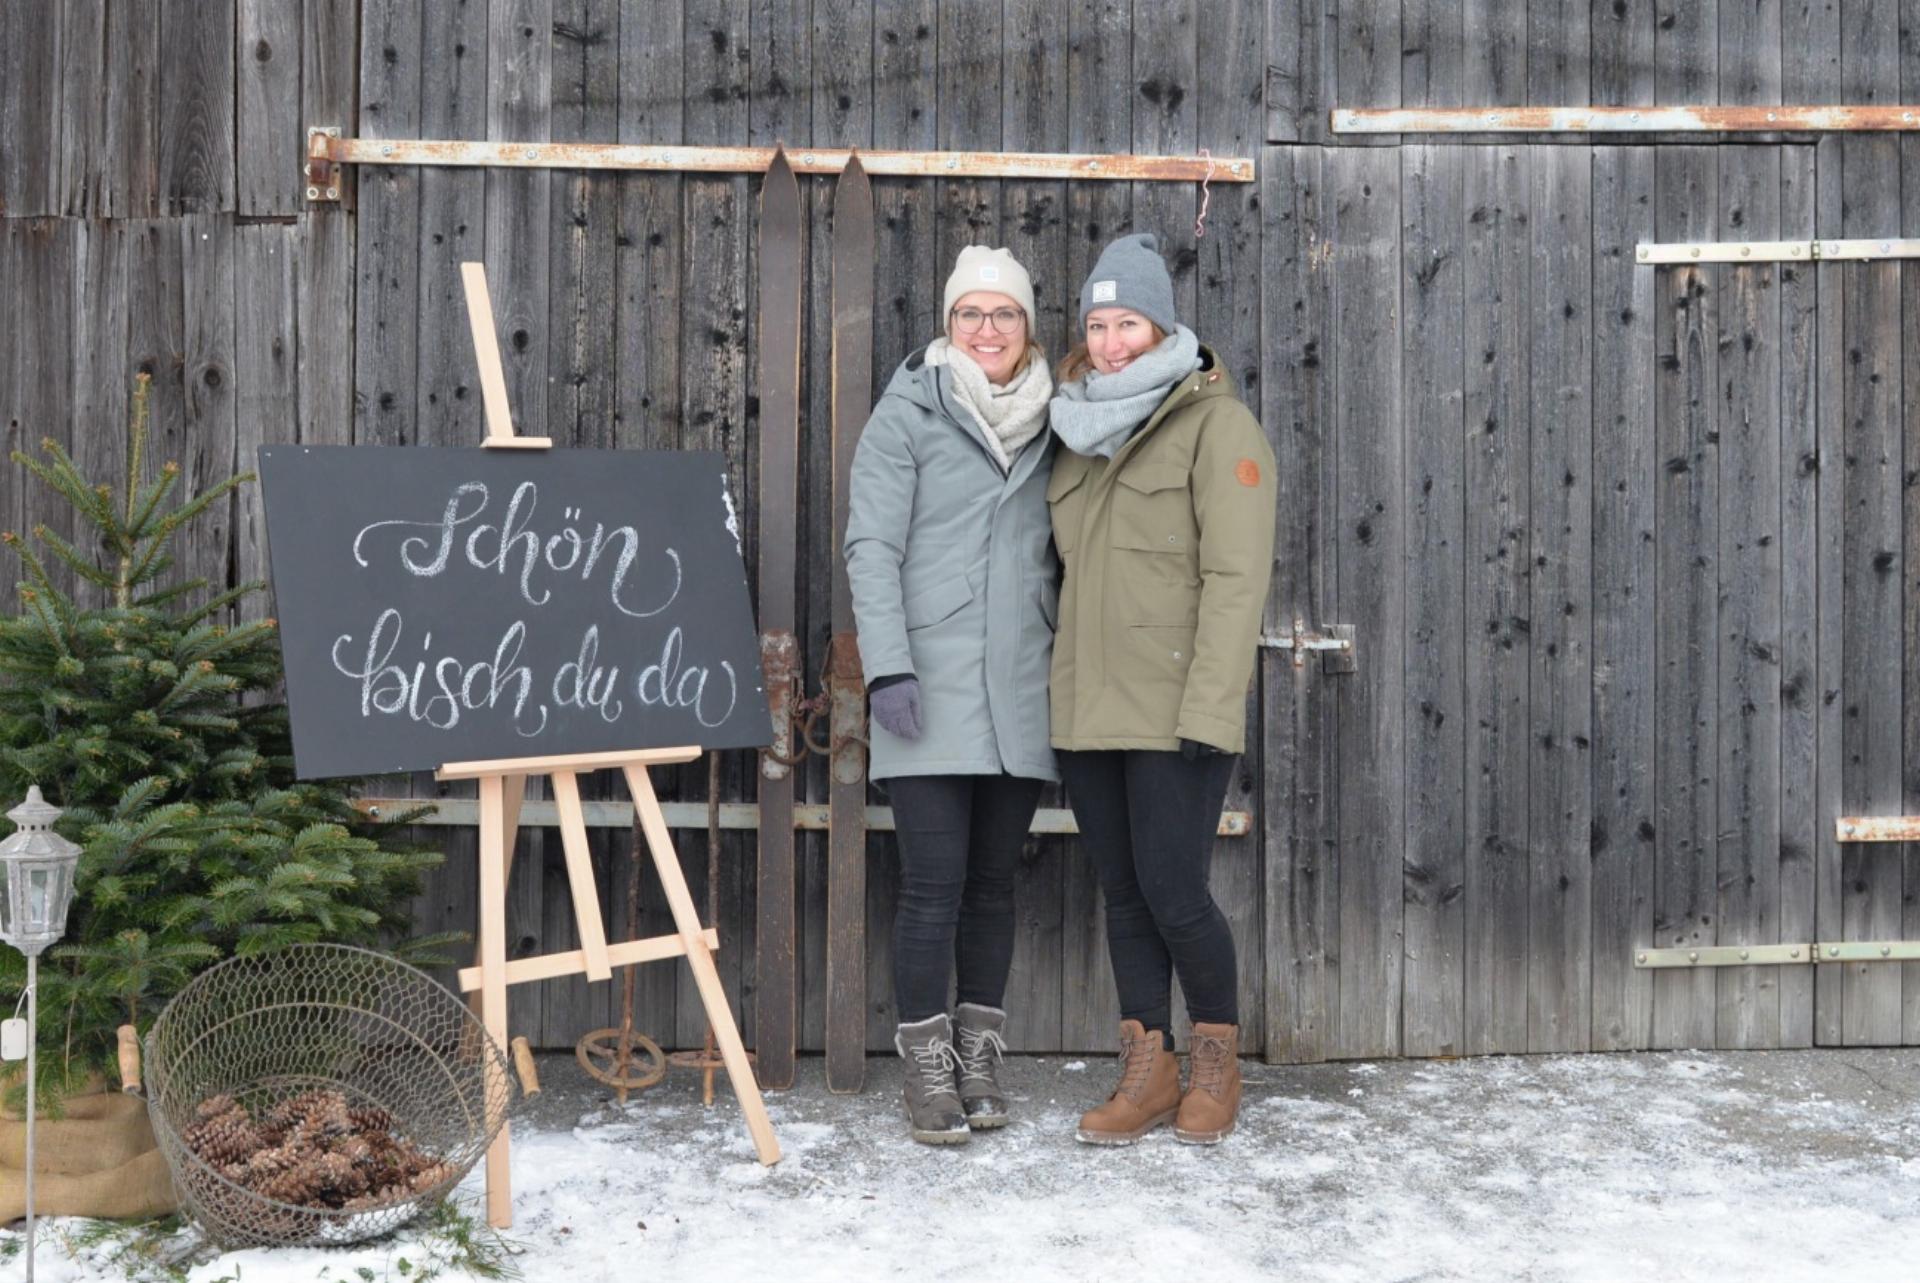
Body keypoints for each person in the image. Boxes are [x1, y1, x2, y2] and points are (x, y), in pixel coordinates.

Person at [1045, 232, 1276, 1146]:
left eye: (1126, 323)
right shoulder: (1073, 430)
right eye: (1097, 325)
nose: (1109, 342)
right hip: (1088, 703)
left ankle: (1215, 1061)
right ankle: (1147, 1068)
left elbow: (1236, 578)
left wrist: (1213, 707)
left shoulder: (1219, 426)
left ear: (1161, 325)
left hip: (1178, 706)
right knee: (1123, 893)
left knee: (1176, 890)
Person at [844, 246, 1059, 1145]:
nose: (985, 329)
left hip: (1022, 683)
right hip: (927, 682)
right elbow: (871, 547)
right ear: (947, 322)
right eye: (968, 313)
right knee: (931, 887)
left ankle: (980, 1053)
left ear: (1028, 324)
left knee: (993, 887)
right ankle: (926, 1067)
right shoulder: (908, 414)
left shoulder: (1064, 416)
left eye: (1002, 313)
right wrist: (887, 667)